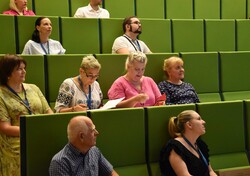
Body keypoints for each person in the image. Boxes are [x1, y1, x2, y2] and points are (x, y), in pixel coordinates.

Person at [0, 54, 53, 176]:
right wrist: (30, 131)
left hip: (41, 134)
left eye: (24, 68)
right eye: (19, 69)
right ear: (8, 72)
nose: (23, 71)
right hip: (16, 140)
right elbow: (4, 127)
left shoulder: (34, 88)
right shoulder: (1, 94)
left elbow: (48, 112)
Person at [49, 116, 119, 176]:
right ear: (82, 136)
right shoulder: (60, 162)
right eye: (92, 130)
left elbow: (110, 172)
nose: (97, 133)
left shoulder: (94, 150)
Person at [159, 110, 217, 176]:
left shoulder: (200, 145)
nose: (203, 122)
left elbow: (210, 171)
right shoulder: (175, 147)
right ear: (189, 125)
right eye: (199, 119)